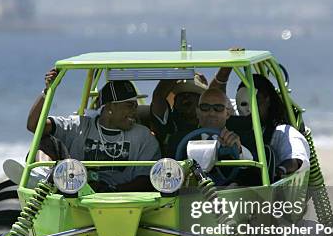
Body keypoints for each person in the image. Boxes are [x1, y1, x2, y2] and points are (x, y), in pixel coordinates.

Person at [27, 68, 161, 192]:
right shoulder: (79, 125)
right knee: (44, 140)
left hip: (124, 198)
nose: (135, 111)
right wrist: (47, 91)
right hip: (77, 194)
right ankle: (42, 179)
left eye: (136, 105)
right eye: (130, 105)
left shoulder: (144, 136)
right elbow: (34, 126)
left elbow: (146, 180)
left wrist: (110, 190)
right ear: (109, 108)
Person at [235, 74, 310, 179]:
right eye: (244, 103)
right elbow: (214, 99)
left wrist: (280, 170)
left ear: (267, 100)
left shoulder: (282, 132)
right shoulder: (230, 126)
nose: (249, 109)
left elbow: (297, 160)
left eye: (256, 101)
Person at [151, 74, 235, 157]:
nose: (186, 97)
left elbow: (219, 93)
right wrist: (178, 70)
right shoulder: (169, 121)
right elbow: (158, 96)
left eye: (192, 94)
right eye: (181, 95)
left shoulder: (218, 124)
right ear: (175, 102)